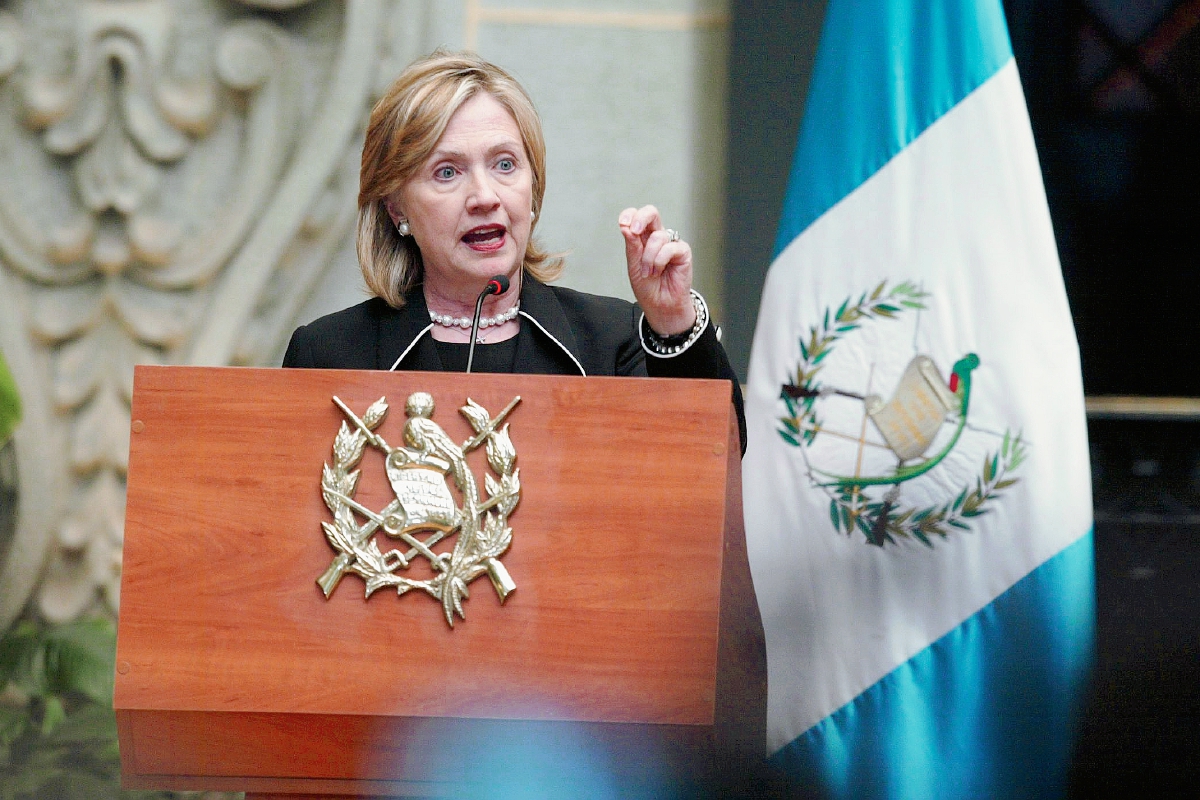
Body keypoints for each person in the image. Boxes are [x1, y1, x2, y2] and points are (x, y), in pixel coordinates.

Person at [283, 50, 745, 453]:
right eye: (447, 172)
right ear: (396, 205)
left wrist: (672, 323)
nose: (485, 196)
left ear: (532, 186)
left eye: (505, 164)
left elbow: (714, 460)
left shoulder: (609, 342)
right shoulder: (329, 352)